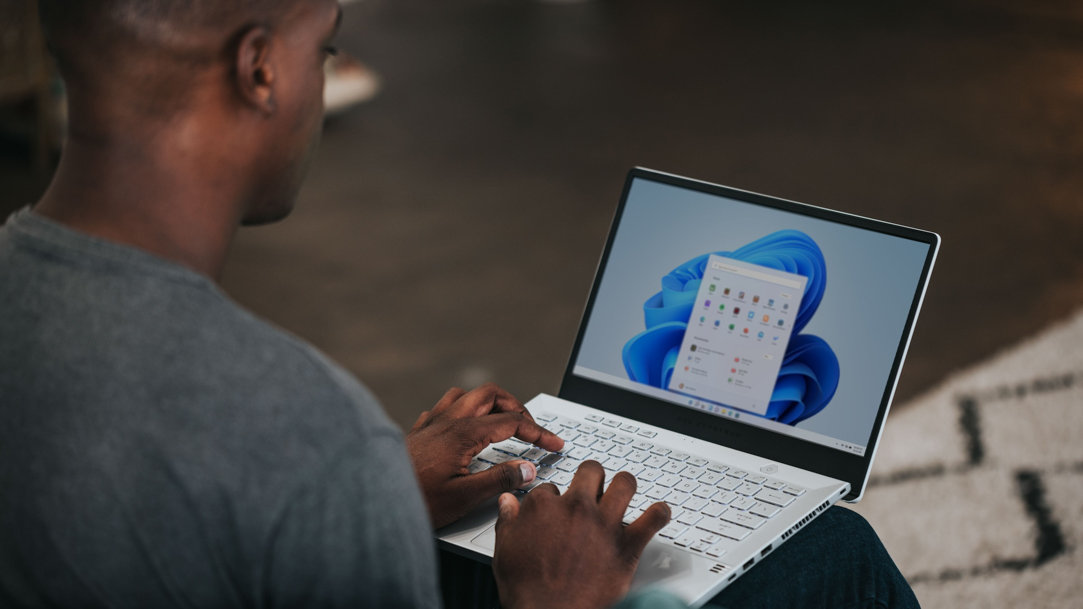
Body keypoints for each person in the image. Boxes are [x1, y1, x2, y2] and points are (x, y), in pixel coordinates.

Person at [0, 1, 919, 608]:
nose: (323, 77)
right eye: (322, 45)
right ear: (259, 69)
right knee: (836, 557)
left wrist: (382, 487)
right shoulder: (301, 431)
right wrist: (556, 597)